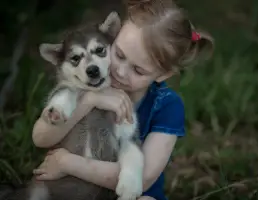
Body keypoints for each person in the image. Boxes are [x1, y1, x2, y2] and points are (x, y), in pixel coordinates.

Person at [31, 0, 214, 199]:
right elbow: (41, 138)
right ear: (113, 37)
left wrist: (67, 163)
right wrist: (91, 100)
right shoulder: (90, 84)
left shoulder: (167, 105)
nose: (119, 71)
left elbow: (142, 180)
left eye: (138, 70)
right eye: (118, 54)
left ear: (163, 75)